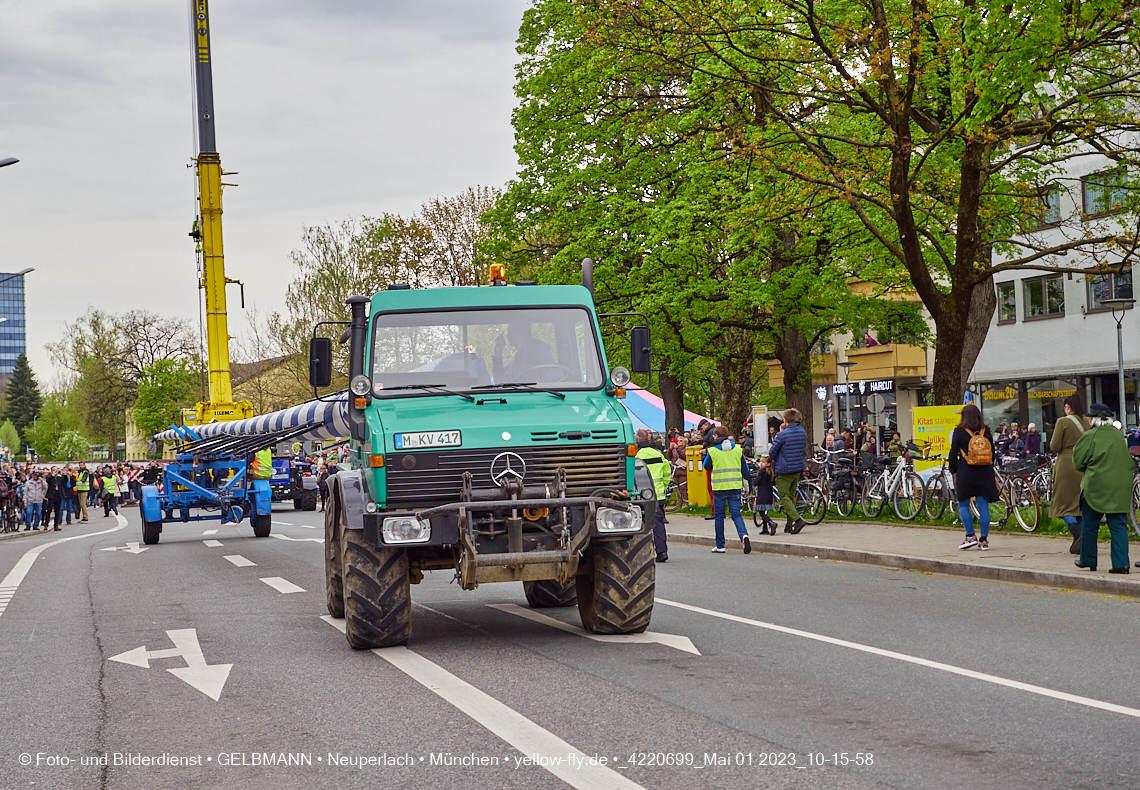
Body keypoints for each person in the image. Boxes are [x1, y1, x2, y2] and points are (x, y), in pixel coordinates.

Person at [1072, 404, 1133, 573]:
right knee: (1118, 525)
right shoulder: (1118, 435)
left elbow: (1078, 463)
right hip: (1120, 487)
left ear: (1093, 419)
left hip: (1096, 487)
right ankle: (1122, 564)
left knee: (1090, 525)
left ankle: (1088, 560)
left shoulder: (1090, 435)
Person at [948, 404, 1000, 550]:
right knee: (983, 506)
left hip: (966, 471)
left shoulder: (959, 431)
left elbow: (953, 453)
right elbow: (992, 453)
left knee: (963, 504)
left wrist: (954, 469)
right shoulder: (986, 431)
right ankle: (984, 541)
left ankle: (970, 536)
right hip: (984, 472)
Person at [1050, 393, 1089, 554]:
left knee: (1062, 503)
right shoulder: (1088, 421)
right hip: (1084, 464)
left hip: (1067, 464)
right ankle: (1083, 541)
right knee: (1079, 504)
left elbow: (1054, 446)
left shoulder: (1062, 421)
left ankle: (1076, 531)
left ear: (1067, 407)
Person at [702, 426, 752, 553]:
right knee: (736, 515)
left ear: (716, 436)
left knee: (719, 517)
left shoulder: (712, 451)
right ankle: (744, 535)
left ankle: (720, 545)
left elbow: (706, 466)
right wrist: (749, 485)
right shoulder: (738, 449)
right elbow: (745, 469)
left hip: (719, 488)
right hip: (735, 486)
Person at [769, 408, 808, 534]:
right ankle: (789, 525)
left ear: (784, 420)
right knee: (791, 496)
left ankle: (798, 520)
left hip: (784, 469)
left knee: (784, 496)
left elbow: (772, 453)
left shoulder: (782, 435)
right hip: (797, 468)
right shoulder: (802, 432)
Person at [635, 429, 671, 563]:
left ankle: (642, 554)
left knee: (639, 524)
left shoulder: (636, 456)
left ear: (637, 441)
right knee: (658, 524)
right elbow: (667, 472)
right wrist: (663, 486)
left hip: (641, 496)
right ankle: (662, 552)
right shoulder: (658, 454)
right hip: (659, 495)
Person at [492, 321, 556, 383]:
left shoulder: (537, 349)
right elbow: (500, 382)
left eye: (510, 330)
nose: (508, 334)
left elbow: (555, 372)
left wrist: (536, 387)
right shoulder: (516, 360)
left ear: (520, 331)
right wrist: (498, 355)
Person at [751, 454, 777, 536]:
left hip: (762, 494)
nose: (761, 463)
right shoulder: (771, 473)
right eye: (760, 461)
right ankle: (765, 528)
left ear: (768, 464)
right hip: (769, 494)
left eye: (763, 462)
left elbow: (756, 482)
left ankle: (771, 523)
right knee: (764, 511)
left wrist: (752, 482)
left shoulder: (761, 472)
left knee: (761, 512)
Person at [44, 466, 63, 531]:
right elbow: (47, 481)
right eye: (54, 470)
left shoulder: (59, 477)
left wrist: (65, 474)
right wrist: (52, 475)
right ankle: (46, 524)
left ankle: (56, 525)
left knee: (57, 511)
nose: (55, 471)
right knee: (49, 510)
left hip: (58, 494)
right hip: (51, 495)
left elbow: (64, 481)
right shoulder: (50, 477)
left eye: (56, 470)